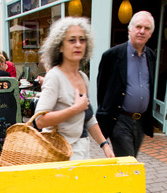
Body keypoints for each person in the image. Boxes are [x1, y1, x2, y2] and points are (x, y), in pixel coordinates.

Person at [35, 17, 115, 160]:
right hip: (59, 152)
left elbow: (89, 117)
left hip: (82, 149)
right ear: (60, 46)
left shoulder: (83, 77)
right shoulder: (55, 76)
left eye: (82, 40)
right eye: (71, 40)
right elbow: (40, 120)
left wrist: (105, 145)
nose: (78, 44)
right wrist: (74, 109)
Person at [96, 11, 156, 158]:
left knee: (130, 159)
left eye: (147, 28)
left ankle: (115, 180)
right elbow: (101, 89)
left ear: (151, 33)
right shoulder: (112, 56)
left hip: (140, 121)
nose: (142, 31)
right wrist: (106, 115)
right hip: (120, 120)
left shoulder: (151, 56)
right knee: (128, 162)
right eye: (138, 26)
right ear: (130, 29)